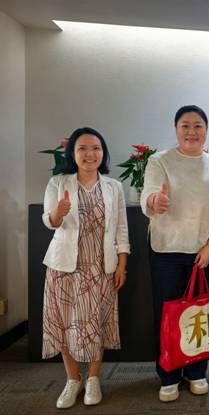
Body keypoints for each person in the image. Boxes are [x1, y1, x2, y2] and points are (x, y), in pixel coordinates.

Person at [141, 105, 209, 402]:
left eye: (197, 126)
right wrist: (155, 201)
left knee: (200, 313)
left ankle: (196, 371)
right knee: (168, 315)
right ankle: (168, 374)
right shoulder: (159, 161)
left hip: (203, 253)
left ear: (206, 130)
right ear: (176, 128)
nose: (191, 131)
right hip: (166, 250)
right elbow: (149, 194)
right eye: (185, 125)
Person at [42, 127, 130, 409]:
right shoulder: (58, 182)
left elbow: (121, 230)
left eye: (96, 148)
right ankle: (72, 379)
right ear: (73, 153)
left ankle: (93, 378)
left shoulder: (113, 187)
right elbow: (50, 221)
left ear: (103, 153)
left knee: (96, 324)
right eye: (82, 148)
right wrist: (58, 213)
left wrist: (122, 265)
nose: (90, 154)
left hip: (100, 267)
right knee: (64, 324)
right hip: (64, 267)